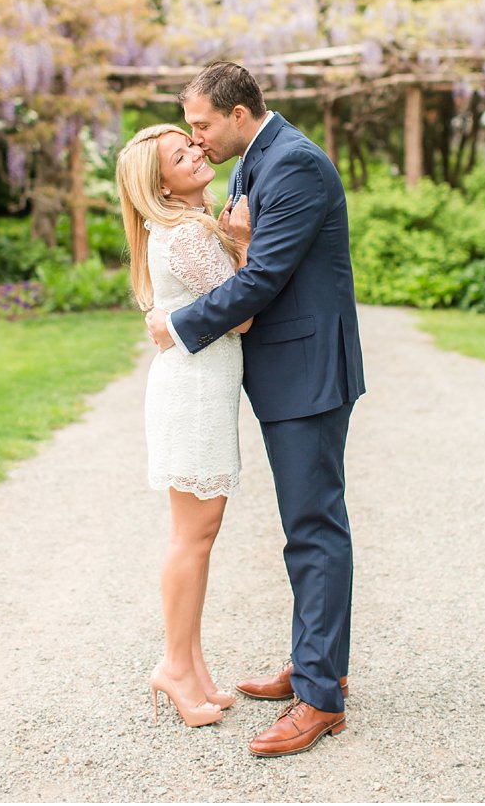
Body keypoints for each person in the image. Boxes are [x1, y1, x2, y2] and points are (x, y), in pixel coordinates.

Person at [146, 61, 365, 758]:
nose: (197, 138)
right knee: (303, 525)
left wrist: (177, 325)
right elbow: (245, 253)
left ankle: (321, 699)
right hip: (281, 374)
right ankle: (313, 665)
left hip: (308, 371)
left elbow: (264, 277)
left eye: (203, 124)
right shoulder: (249, 159)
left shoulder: (294, 164)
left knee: (313, 526)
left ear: (239, 113)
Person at [117, 123, 252, 728]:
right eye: (180, 154)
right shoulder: (187, 234)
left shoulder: (181, 229)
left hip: (196, 388)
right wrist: (244, 243)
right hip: (194, 395)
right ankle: (174, 667)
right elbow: (241, 313)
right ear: (162, 185)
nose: (198, 152)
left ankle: (193, 668)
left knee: (197, 534)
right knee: (192, 537)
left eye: (193, 144)